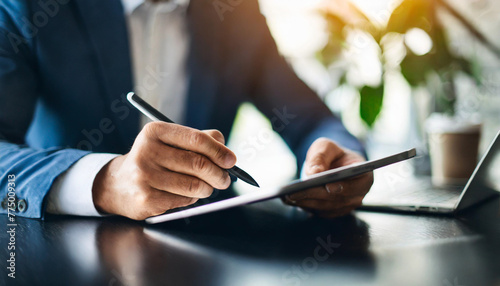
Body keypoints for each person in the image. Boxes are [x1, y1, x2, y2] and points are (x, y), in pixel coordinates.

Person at [0, 0, 373, 220]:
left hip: (211, 251)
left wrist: (339, 159)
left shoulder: (234, 12)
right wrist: (104, 180)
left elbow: (309, 118)